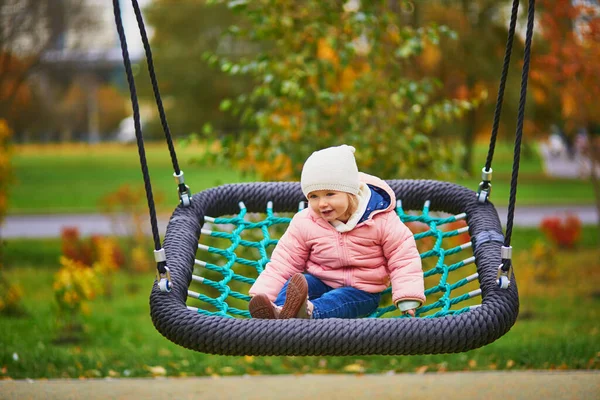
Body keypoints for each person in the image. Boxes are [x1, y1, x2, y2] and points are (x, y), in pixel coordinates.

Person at [248, 144, 425, 319]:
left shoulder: (381, 220)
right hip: (321, 281)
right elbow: (284, 261)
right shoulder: (306, 222)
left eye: (330, 194)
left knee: (338, 300)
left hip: (362, 292)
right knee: (300, 283)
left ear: (351, 192)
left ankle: (307, 313)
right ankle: (277, 312)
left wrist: (408, 296)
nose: (322, 203)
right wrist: (263, 293)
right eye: (313, 196)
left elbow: (403, 257)